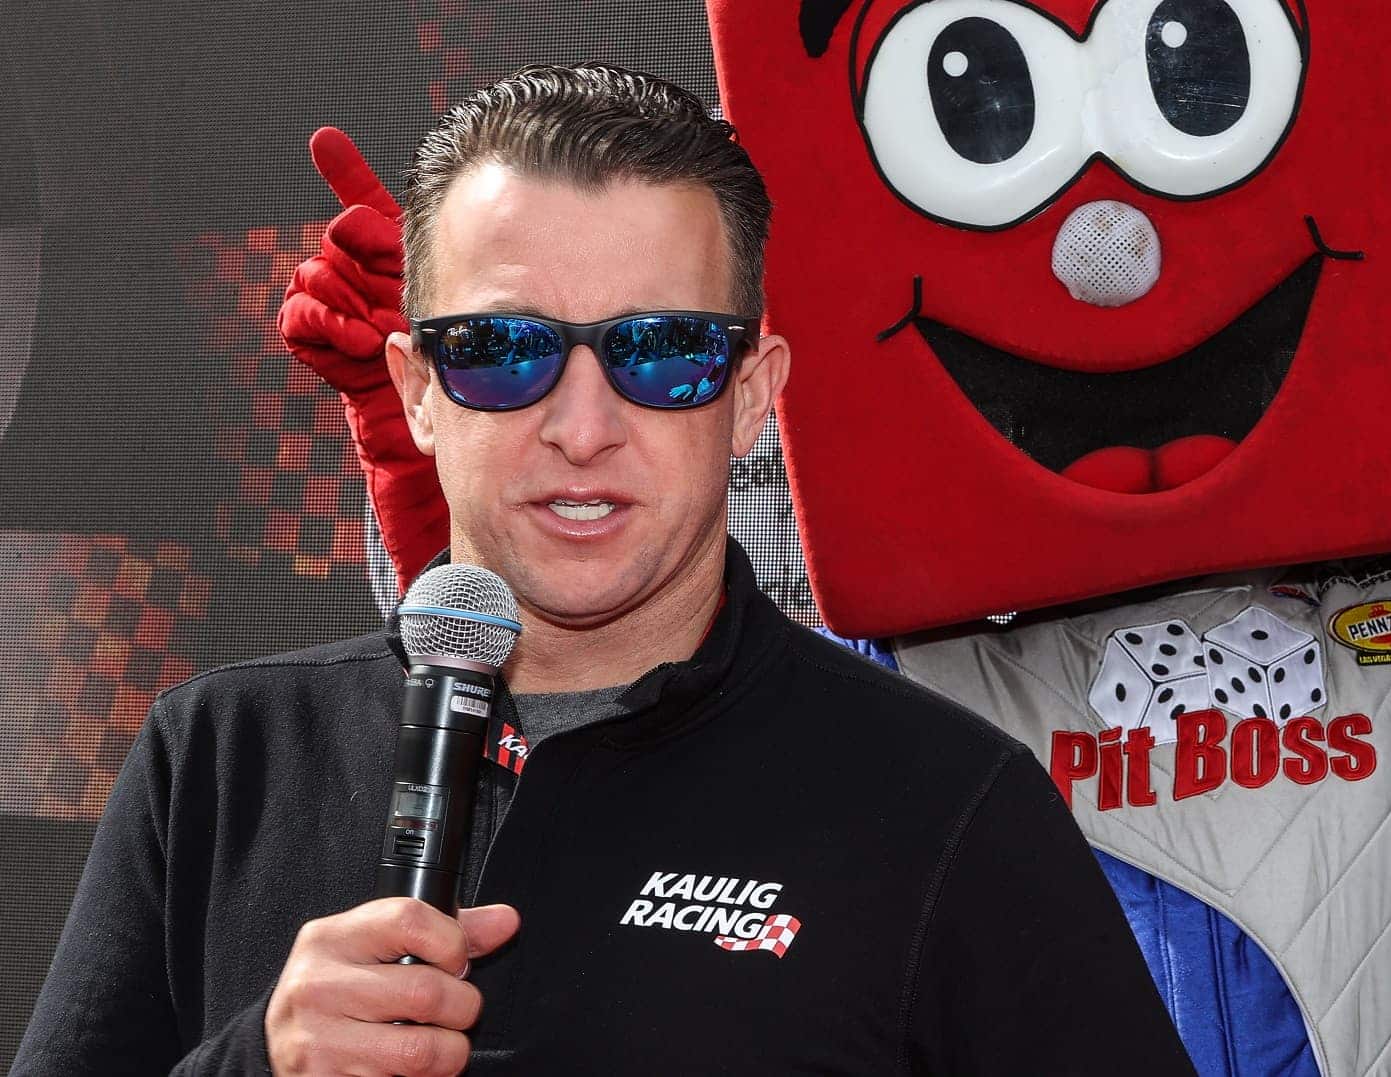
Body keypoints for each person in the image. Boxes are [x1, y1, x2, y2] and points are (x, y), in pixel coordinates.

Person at [14, 64, 1193, 1075]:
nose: (583, 426)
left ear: (752, 398)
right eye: (504, 351)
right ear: (418, 391)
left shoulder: (949, 803)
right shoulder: (218, 755)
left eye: (663, 350)